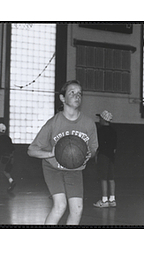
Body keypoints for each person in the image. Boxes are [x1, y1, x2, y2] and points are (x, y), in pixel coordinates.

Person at [27, 80, 98, 225]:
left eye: (79, 93)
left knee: (77, 209)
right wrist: (50, 154)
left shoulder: (88, 123)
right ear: (62, 98)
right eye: (72, 92)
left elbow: (94, 149)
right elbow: (31, 150)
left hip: (74, 169)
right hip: (53, 169)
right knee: (60, 206)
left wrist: (86, 156)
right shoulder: (53, 123)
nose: (77, 96)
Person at [93, 110, 117, 208]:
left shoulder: (100, 130)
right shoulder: (113, 131)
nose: (99, 120)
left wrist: (96, 155)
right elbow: (115, 148)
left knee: (103, 178)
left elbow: (97, 145)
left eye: (100, 118)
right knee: (111, 178)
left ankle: (104, 200)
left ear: (103, 119)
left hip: (103, 156)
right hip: (111, 157)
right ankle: (112, 199)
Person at [0, 123, 16, 192]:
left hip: (3, 156)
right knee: (5, 171)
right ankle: (11, 181)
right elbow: (12, 148)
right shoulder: (8, 138)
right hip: (10, 157)